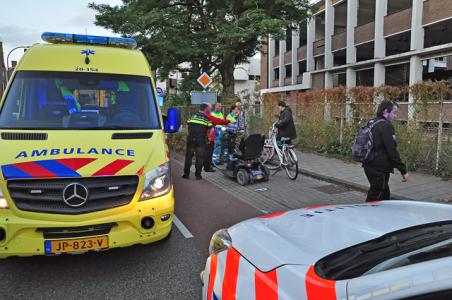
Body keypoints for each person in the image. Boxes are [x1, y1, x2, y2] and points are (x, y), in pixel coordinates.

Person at [363, 100, 409, 202]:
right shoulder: (386, 126)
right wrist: (403, 170)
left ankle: (380, 216)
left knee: (384, 195)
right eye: (394, 112)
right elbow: (392, 151)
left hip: (368, 165)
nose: (395, 116)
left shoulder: (371, 122)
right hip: (379, 169)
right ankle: (365, 215)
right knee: (375, 197)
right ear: (385, 112)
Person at [183, 104, 212, 180]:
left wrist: (188, 134)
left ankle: (186, 174)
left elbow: (187, 126)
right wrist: (208, 137)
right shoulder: (206, 119)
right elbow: (212, 129)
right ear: (205, 109)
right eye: (208, 109)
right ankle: (198, 175)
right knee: (199, 157)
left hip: (191, 139)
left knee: (189, 157)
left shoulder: (192, 117)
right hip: (201, 140)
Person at [204, 103, 230, 172]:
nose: (220, 107)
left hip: (220, 131)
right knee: (214, 146)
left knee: (219, 146)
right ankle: (212, 162)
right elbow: (216, 121)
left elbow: (221, 121)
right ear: (215, 107)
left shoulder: (221, 114)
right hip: (214, 131)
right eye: (219, 106)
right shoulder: (211, 114)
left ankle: (217, 161)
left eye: (221, 106)